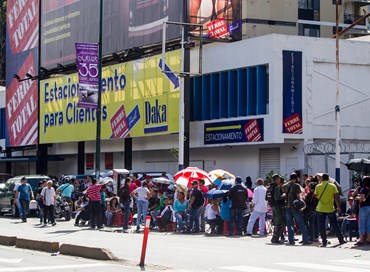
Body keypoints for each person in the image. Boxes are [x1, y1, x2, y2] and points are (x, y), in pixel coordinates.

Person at [314, 173, 346, 247]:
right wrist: (338, 206)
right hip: (330, 208)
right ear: (328, 179)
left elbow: (315, 195)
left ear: (322, 179)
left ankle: (324, 242)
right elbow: (336, 197)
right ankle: (341, 240)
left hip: (320, 208)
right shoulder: (332, 186)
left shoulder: (318, 186)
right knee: (335, 225)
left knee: (321, 226)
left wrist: (320, 198)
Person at [284, 173, 311, 245]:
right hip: (295, 207)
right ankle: (305, 239)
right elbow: (298, 196)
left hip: (287, 206)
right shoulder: (296, 186)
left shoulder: (285, 185)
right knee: (301, 223)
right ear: (296, 179)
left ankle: (291, 240)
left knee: (289, 224)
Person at [270, 174, 286, 244]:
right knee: (278, 223)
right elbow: (277, 197)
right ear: (276, 179)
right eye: (279, 179)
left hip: (273, 206)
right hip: (277, 206)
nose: (280, 180)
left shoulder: (270, 187)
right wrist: (284, 195)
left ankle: (275, 238)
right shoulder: (276, 187)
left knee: (277, 222)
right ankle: (275, 239)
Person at [355, 176, 370, 246]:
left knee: (362, 223)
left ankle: (361, 239)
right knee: (368, 223)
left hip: (364, 207)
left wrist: (358, 198)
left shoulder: (363, 189)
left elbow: (362, 199)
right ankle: (369, 239)